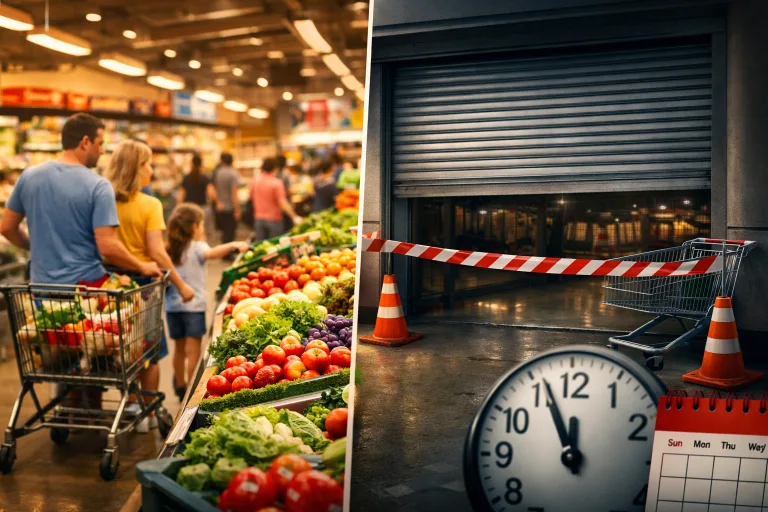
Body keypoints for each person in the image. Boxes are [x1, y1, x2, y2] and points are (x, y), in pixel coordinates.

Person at [0, 113, 161, 411]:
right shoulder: (97, 186)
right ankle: (91, 409)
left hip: (42, 288)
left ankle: (69, 410)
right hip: (85, 290)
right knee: (95, 352)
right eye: (100, 143)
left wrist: (34, 247)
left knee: (56, 353)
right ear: (85, 142)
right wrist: (142, 267)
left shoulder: (29, 176)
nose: (102, 151)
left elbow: (7, 227)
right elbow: (108, 246)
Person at [105, 140, 196, 419]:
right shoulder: (150, 204)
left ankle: (131, 402)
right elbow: (156, 251)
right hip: (144, 286)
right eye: (147, 164)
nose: (151, 170)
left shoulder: (103, 199)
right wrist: (181, 284)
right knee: (149, 352)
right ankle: (148, 412)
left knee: (124, 350)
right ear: (135, 168)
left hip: (112, 285)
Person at [165, 204, 248, 399]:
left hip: (173, 307)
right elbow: (213, 253)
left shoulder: (169, 249)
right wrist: (234, 244)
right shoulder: (197, 247)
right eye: (201, 224)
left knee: (178, 348)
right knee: (193, 350)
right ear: (194, 227)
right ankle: (190, 390)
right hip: (194, 307)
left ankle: (179, 384)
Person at [250, 157, 303, 241]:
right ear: (275, 168)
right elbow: (282, 202)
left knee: (260, 246)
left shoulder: (255, 180)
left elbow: (251, 196)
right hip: (274, 219)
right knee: (275, 247)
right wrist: (294, 216)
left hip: (258, 218)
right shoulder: (276, 183)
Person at [212, 153, 241, 248]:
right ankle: (228, 252)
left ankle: (224, 251)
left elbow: (213, 189)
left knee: (224, 233)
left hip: (220, 207)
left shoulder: (217, 172)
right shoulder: (233, 173)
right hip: (230, 207)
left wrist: (217, 202)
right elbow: (234, 193)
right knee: (230, 233)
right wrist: (237, 209)